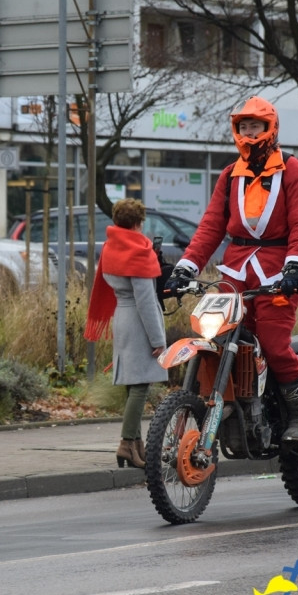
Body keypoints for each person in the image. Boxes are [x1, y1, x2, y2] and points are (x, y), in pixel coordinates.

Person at [163, 96, 298, 442]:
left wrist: (296, 267)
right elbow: (210, 227)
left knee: (274, 345)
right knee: (218, 340)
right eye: (243, 126)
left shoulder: (292, 170)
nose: (248, 132)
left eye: (255, 126)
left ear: (270, 128)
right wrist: (184, 269)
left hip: (277, 275)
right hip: (234, 274)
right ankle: (233, 407)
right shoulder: (230, 174)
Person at [85, 198, 167, 468]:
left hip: (121, 316)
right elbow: (145, 301)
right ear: (138, 223)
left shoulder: (111, 246)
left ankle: (137, 447)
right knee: (140, 387)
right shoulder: (138, 251)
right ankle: (126, 444)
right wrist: (158, 340)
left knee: (134, 383)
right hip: (138, 322)